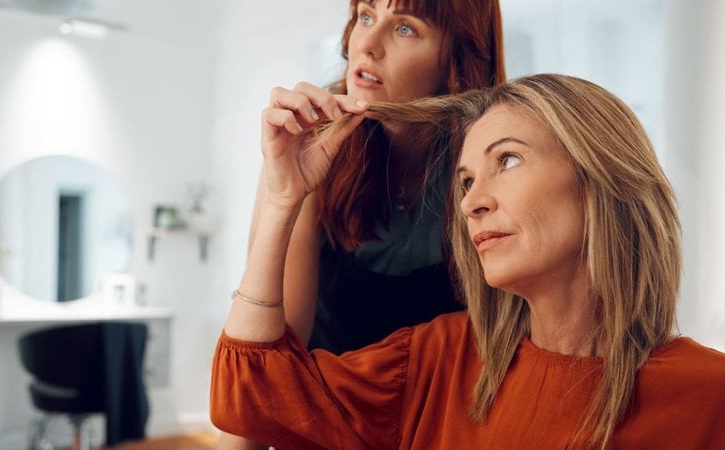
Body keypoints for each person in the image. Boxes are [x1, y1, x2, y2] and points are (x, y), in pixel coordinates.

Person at [210, 74, 725, 449]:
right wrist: (282, 198)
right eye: (466, 181)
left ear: (600, 177)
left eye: (508, 159)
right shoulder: (437, 361)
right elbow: (247, 395)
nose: (471, 202)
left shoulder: (708, 396)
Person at [219, 0, 504, 447]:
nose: (365, 45)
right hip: (326, 429)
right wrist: (282, 194)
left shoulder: (488, 167)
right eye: (366, 17)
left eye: (405, 29)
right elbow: (266, 361)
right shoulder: (310, 144)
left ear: (455, 62)